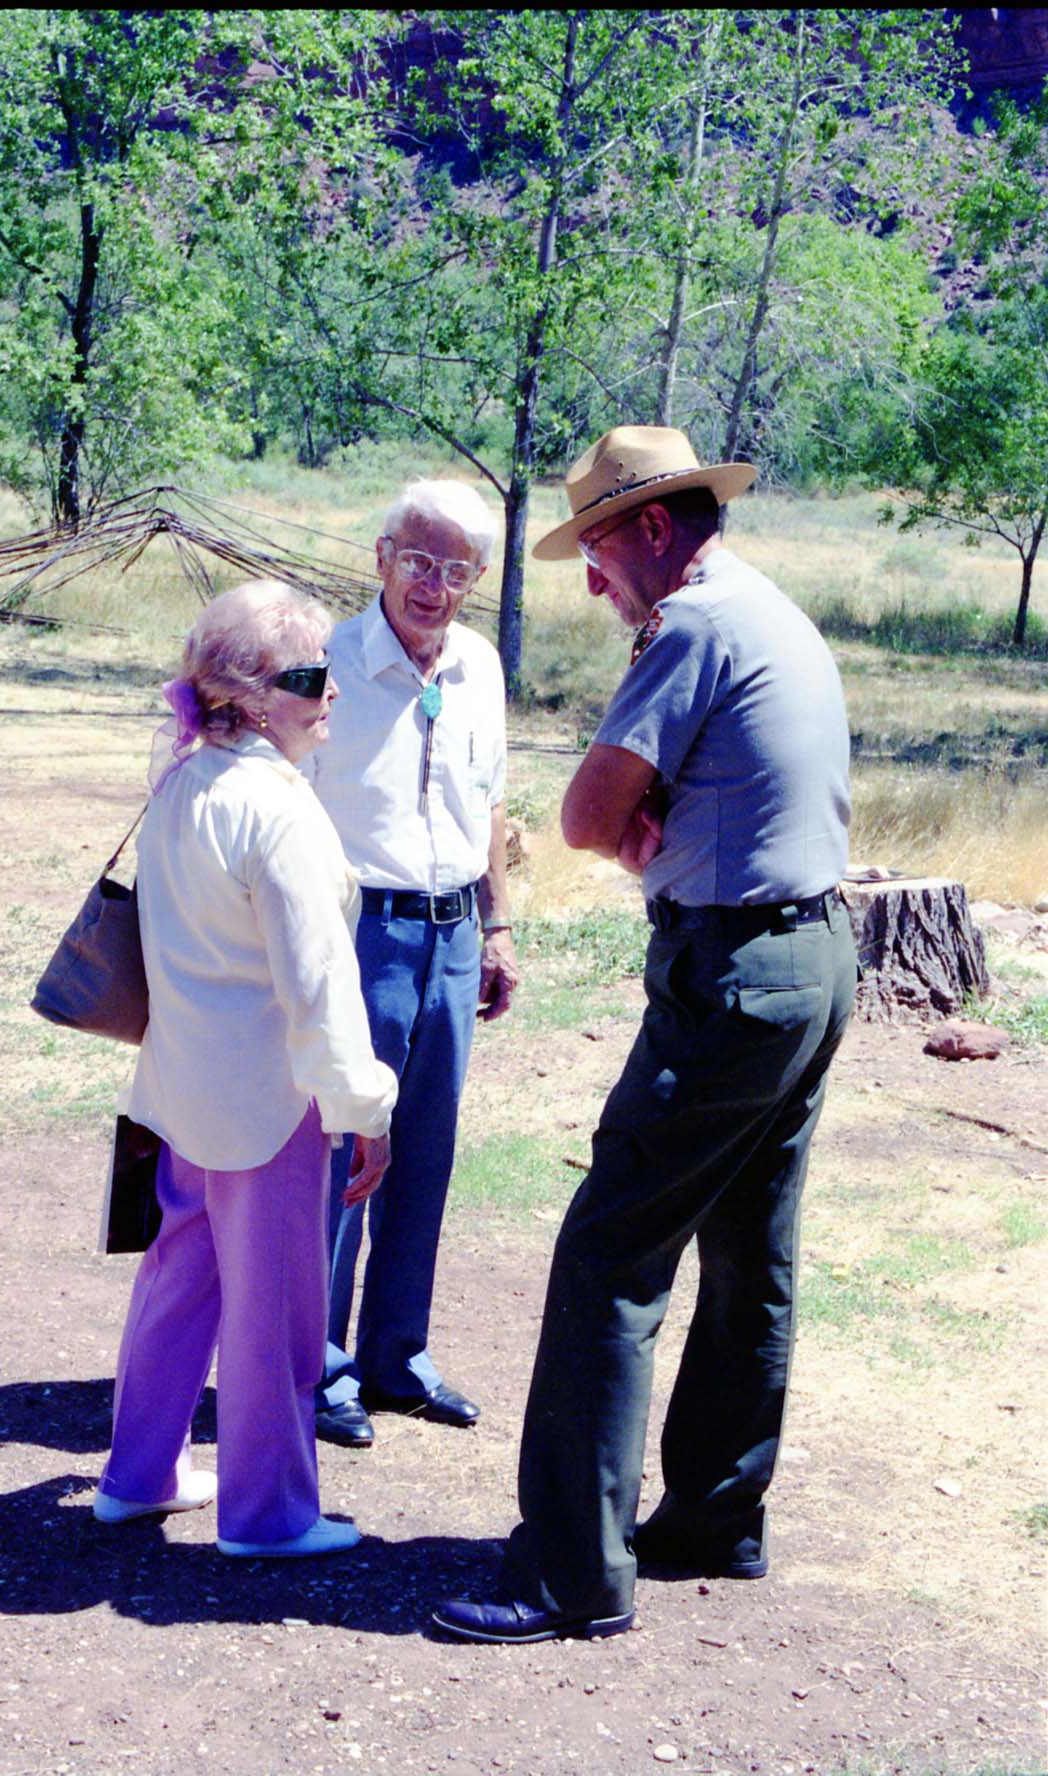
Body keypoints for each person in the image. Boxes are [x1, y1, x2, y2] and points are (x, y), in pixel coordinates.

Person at [434, 425, 856, 1642]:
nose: (590, 576)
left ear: (657, 528)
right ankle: (716, 1520)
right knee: (749, 1253)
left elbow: (579, 815)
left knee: (610, 1255)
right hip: (809, 959)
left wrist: (639, 817)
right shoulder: (762, 611)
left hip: (735, 975)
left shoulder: (695, 627)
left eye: (601, 544)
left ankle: (572, 1572)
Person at [93, 581, 398, 1559]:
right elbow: (319, 991)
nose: (332, 695)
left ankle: (137, 1476)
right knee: (276, 1313)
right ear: (252, 693)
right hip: (267, 1109)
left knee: (178, 1286)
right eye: (313, 678)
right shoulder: (281, 812)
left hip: (179, 1093)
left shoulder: (185, 781)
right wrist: (365, 1107)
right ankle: (267, 1517)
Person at [305, 480, 520, 1449]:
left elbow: (491, 805)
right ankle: (319, 1363)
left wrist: (499, 928)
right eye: (419, 560)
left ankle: (398, 1355)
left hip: (454, 933)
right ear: (381, 555)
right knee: (348, 1148)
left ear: (477, 581)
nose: (434, 586)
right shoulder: (329, 662)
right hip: (362, 931)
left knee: (424, 1151)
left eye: (457, 569)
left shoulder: (478, 665)